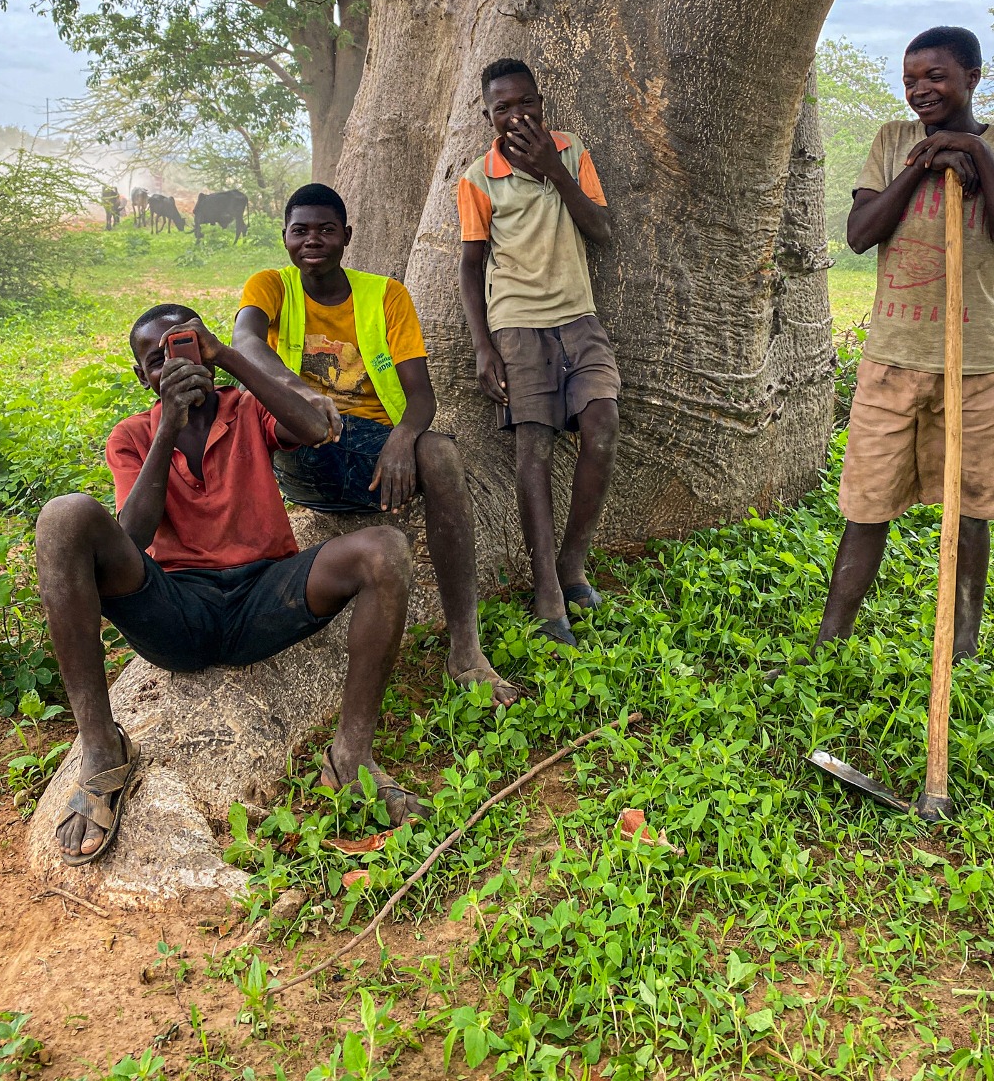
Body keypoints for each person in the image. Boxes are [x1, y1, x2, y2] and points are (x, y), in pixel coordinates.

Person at [36, 306, 419, 866]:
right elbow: (133, 536)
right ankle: (101, 748)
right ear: (144, 378)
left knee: (385, 548)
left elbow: (316, 429)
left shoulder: (247, 408)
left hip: (266, 596)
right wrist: (168, 425)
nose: (175, 364)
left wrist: (232, 358)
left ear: (206, 349)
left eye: (184, 347)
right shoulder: (134, 435)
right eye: (157, 361)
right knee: (63, 516)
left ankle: (351, 757)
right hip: (175, 609)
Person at [232, 185, 518, 708]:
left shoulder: (385, 295)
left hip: (371, 451)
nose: (311, 240)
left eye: (325, 230)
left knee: (441, 454)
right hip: (299, 446)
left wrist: (401, 442)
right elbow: (245, 343)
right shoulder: (271, 286)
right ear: (285, 238)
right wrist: (299, 391)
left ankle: (466, 650)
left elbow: (421, 396)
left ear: (346, 236)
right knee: (316, 429)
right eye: (300, 231)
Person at [816, 25, 994, 659]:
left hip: (970, 362)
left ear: (972, 77)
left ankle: (961, 648)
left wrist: (975, 155)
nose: (921, 90)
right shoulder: (892, 142)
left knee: (970, 514)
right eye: (912, 78)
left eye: (935, 77)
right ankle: (830, 645)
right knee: (866, 507)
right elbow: (861, 232)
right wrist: (924, 163)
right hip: (892, 359)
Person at [458, 58, 620, 649]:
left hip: (579, 318)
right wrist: (483, 347)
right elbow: (471, 266)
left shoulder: (571, 152)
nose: (517, 115)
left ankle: (572, 567)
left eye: (526, 103)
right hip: (517, 326)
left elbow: (600, 229)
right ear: (487, 117)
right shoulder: (479, 177)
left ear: (542, 103)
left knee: (602, 429)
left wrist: (554, 169)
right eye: (503, 108)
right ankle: (546, 587)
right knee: (535, 450)